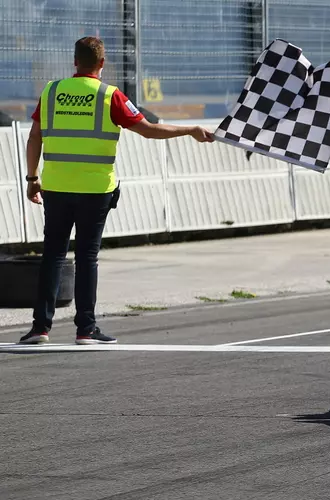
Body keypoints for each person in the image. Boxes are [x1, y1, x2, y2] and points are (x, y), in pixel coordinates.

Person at [19, 36, 215, 345]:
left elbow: (34, 137)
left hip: (55, 187)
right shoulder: (110, 95)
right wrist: (189, 129)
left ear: (74, 61)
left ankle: (40, 328)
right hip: (96, 189)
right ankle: (85, 329)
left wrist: (32, 179)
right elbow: (148, 130)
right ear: (101, 64)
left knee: (53, 256)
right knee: (86, 257)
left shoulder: (52, 91)